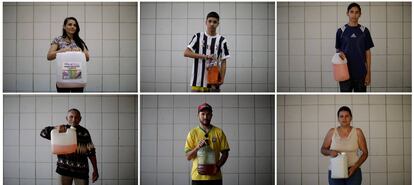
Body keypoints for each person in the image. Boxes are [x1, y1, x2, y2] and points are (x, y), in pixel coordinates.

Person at [40, 108, 99, 185]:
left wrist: (95, 170)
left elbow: (91, 152)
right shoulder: (61, 130)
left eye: (76, 117)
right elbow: (43, 133)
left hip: (81, 171)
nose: (74, 119)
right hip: (63, 170)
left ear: (80, 119)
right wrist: (55, 128)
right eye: (71, 116)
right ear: (66, 118)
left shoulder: (84, 132)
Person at [320, 106, 368, 185]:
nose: (344, 119)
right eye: (341, 116)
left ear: (351, 118)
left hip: (353, 171)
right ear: (338, 119)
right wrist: (330, 152)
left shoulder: (357, 132)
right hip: (335, 170)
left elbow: (365, 153)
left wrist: (355, 167)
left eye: (347, 116)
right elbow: (322, 149)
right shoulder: (332, 131)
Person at [184, 12, 230, 92]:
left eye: (215, 22)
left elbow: (224, 61)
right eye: (210, 21)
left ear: (218, 24)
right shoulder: (198, 36)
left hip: (214, 81)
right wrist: (205, 56)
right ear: (206, 22)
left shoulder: (222, 40)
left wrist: (222, 78)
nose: (212, 24)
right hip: (197, 81)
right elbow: (186, 53)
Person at [185, 103, 230, 185]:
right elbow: (188, 156)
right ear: (198, 115)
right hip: (197, 178)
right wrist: (198, 147)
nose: (205, 117)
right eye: (203, 114)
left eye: (208, 114)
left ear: (211, 115)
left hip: (215, 177)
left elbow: (225, 153)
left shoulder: (219, 132)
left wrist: (217, 167)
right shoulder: (192, 133)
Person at [335, 3, 374, 92]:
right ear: (347, 13)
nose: (354, 15)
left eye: (357, 12)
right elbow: (337, 51)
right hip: (344, 74)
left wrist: (368, 73)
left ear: (360, 14)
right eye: (351, 12)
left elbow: (367, 52)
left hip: (361, 74)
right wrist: (339, 54)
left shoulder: (364, 31)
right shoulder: (341, 31)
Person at [47, 17, 90, 93]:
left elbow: (87, 58)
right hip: (63, 79)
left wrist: (80, 51)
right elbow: (49, 56)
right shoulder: (58, 39)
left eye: (75, 25)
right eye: (70, 24)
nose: (72, 27)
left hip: (77, 79)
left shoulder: (79, 41)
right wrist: (61, 50)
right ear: (64, 26)